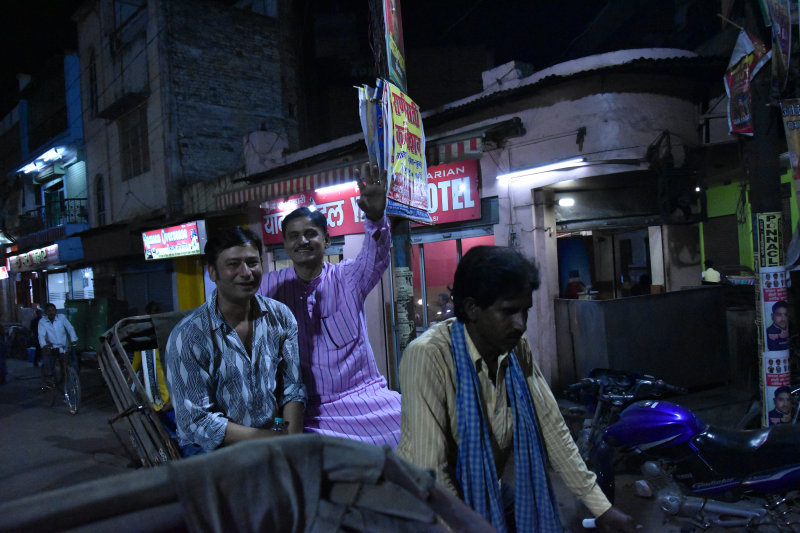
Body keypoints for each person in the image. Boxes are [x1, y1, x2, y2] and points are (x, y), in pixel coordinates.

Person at [397, 246, 636, 532]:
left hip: (488, 488)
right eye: (508, 312)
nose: (521, 325)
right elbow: (431, 471)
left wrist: (602, 508)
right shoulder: (428, 356)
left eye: (525, 311)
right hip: (425, 503)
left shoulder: (514, 349)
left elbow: (551, 427)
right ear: (473, 308)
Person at [260, 165, 402, 448]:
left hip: (365, 401)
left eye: (311, 233)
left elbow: (376, 256)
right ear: (286, 246)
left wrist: (375, 217)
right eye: (294, 236)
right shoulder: (269, 288)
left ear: (326, 240)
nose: (303, 241)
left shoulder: (348, 277)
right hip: (308, 412)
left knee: (412, 430)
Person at [166, 226, 305, 456]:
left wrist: (293, 441)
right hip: (214, 449)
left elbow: (293, 387)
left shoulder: (280, 316)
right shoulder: (189, 335)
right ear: (212, 272)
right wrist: (275, 440)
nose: (246, 273)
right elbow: (197, 422)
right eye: (233, 265)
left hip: (275, 438)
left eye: (252, 263)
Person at [38, 303, 79, 384]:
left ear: (56, 311)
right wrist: (44, 345)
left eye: (53, 310)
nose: (51, 312)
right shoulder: (42, 322)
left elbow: (70, 328)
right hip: (52, 346)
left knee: (72, 362)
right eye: (49, 311)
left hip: (64, 346)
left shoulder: (62, 318)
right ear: (45, 312)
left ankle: (74, 377)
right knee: (48, 361)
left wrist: (74, 339)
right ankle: (50, 379)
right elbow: (41, 335)